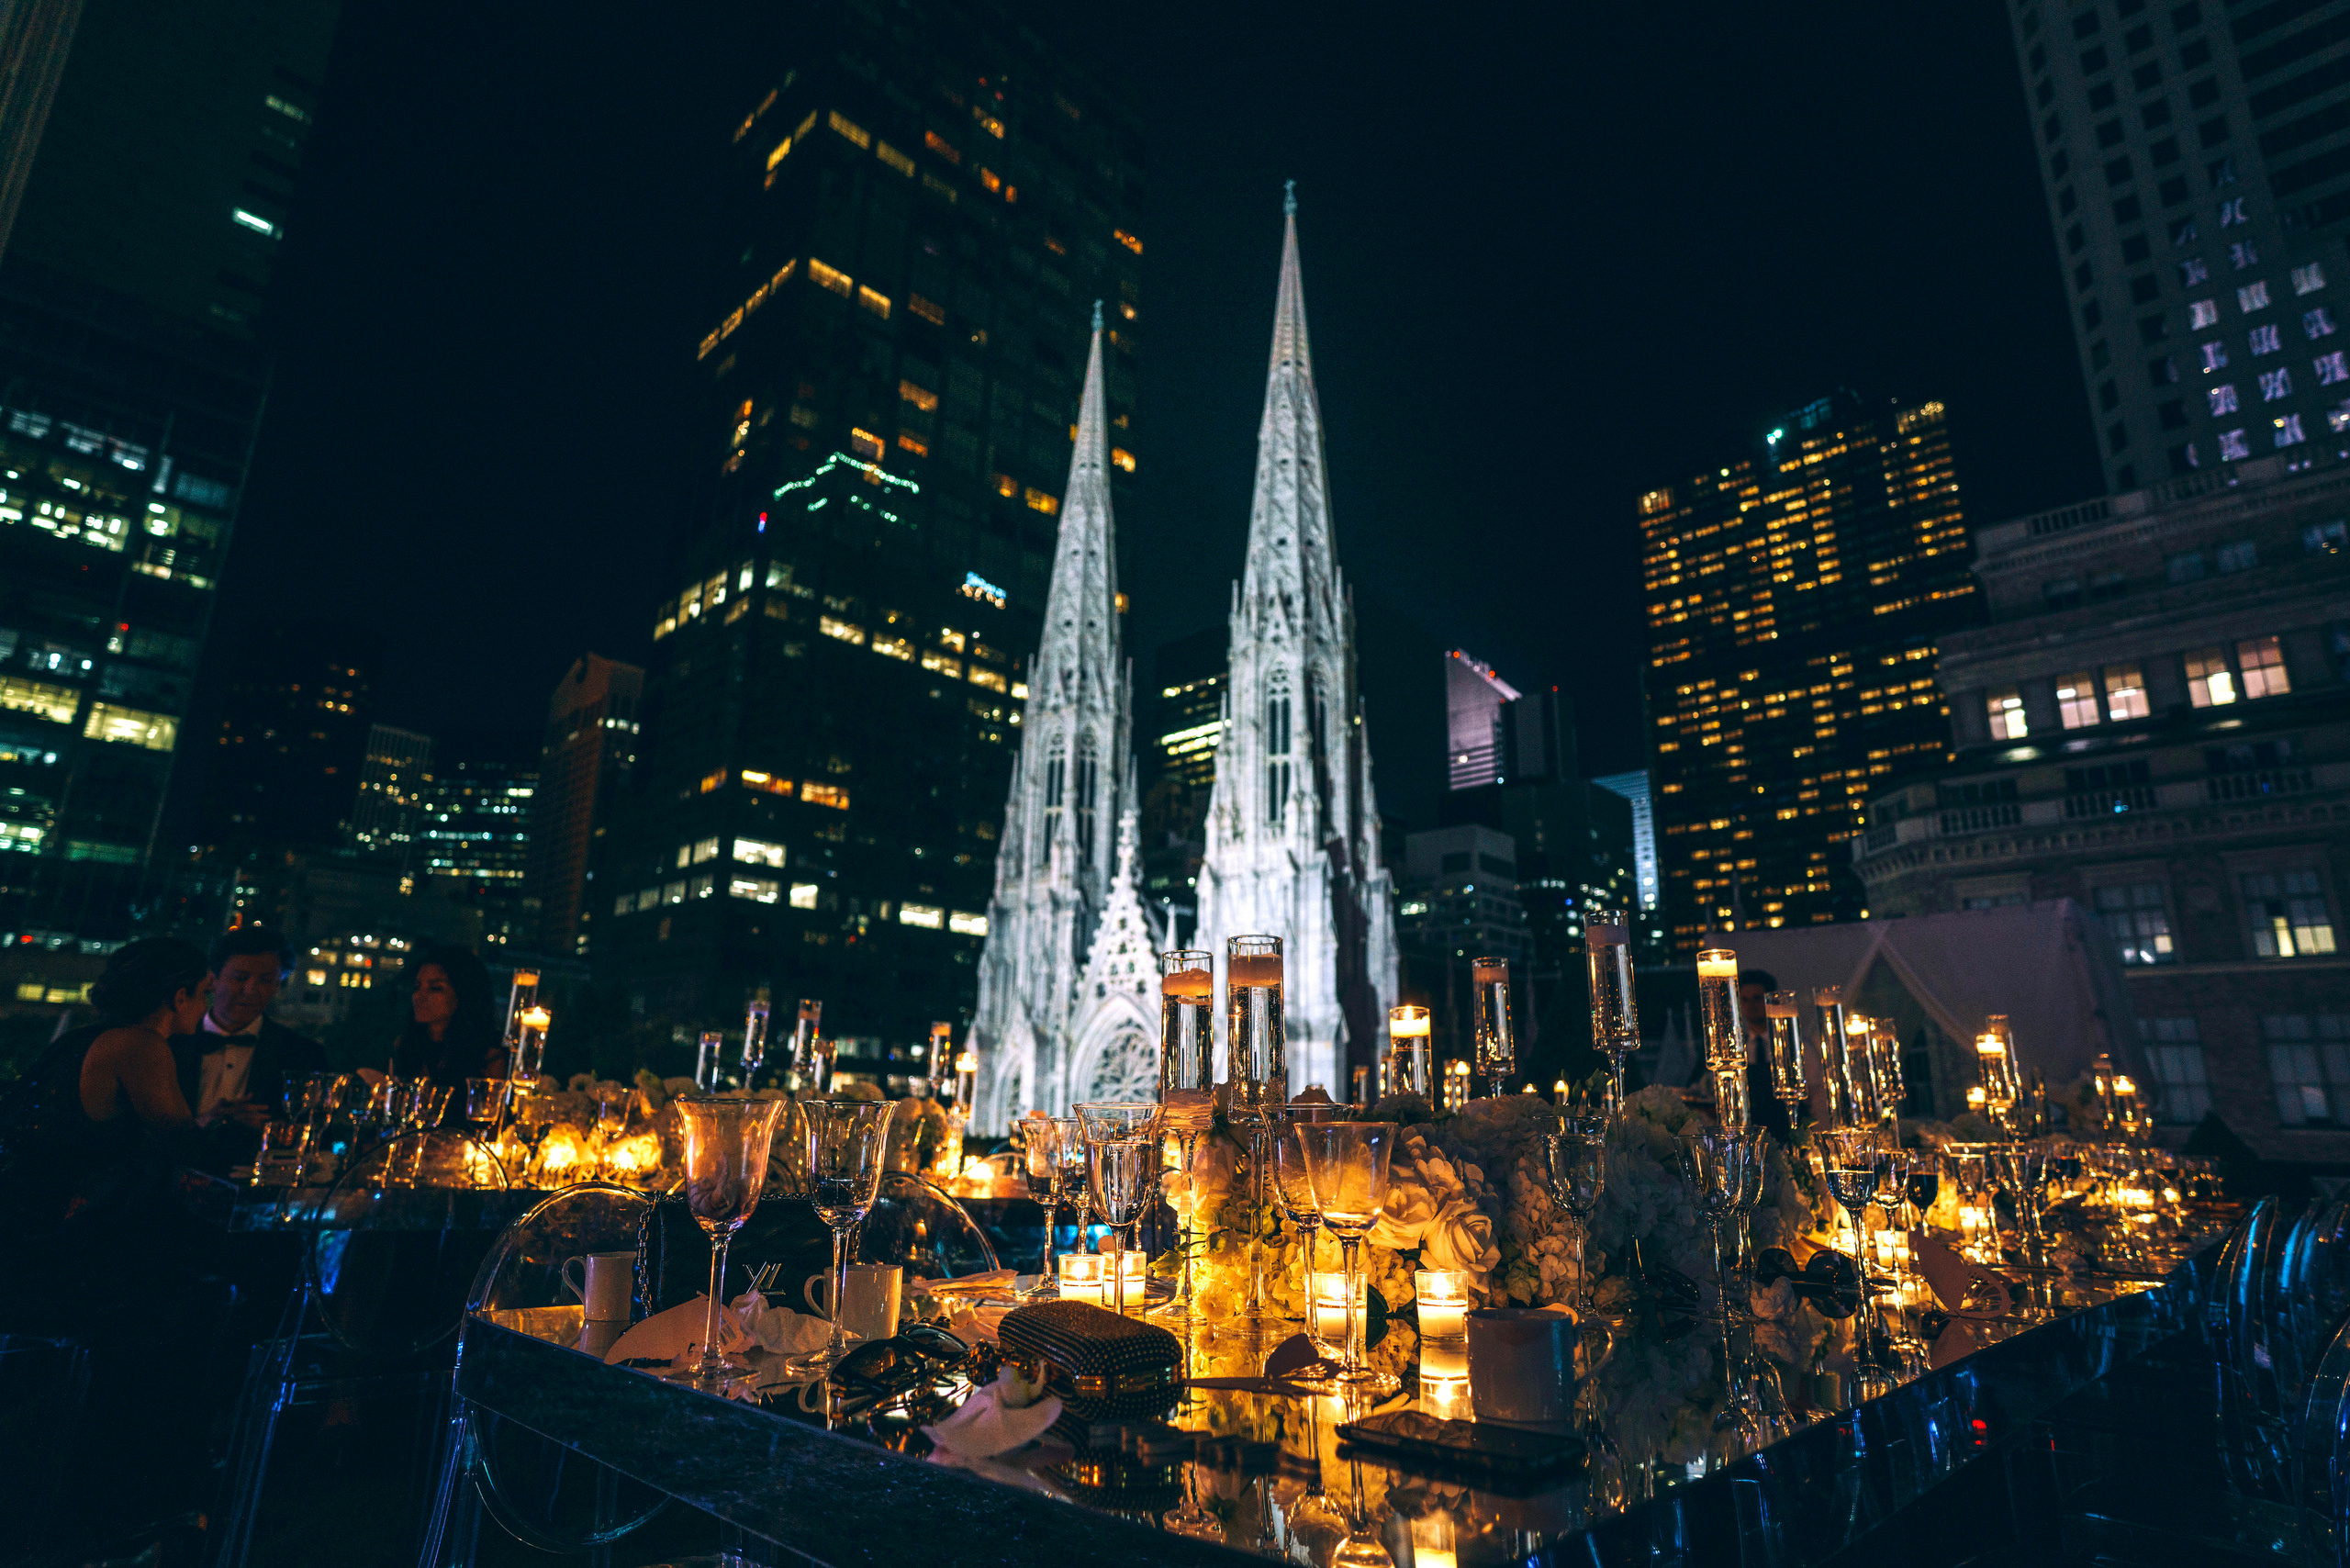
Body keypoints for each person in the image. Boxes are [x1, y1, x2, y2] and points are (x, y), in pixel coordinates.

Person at [169, 926, 328, 1170]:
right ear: (212, 979)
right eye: (240, 977)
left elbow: (316, 1135)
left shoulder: (303, 1053)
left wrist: (274, 1132)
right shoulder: (171, 1043)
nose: (251, 990)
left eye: (266, 980)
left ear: (278, 985)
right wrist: (205, 1122)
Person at [390, 942, 507, 1083]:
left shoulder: (488, 1055)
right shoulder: (404, 1045)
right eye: (417, 986)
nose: (418, 996)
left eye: (435, 988)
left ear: (463, 993)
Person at [1738, 968, 1795, 1144]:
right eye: (1745, 999)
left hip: (1790, 1137)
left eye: (1757, 998)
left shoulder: (1793, 1045)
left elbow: (1817, 1094)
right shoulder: (1737, 1050)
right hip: (1752, 1140)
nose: (1751, 1005)